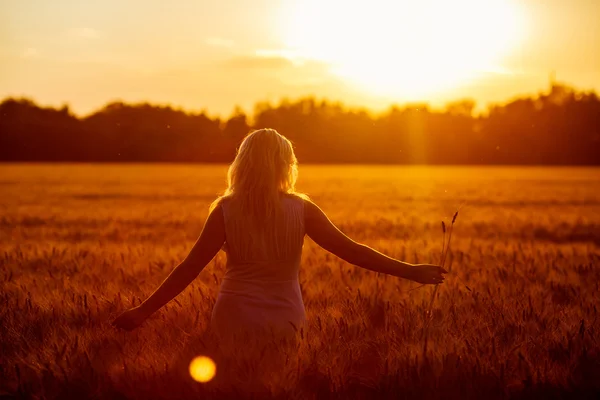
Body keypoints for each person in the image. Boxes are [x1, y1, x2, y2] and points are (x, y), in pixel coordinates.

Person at [112, 128, 447, 338]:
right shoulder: (302, 209)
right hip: (286, 318)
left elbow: (189, 268)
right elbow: (352, 251)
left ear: (242, 163)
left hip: (234, 315)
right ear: (287, 165)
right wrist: (409, 271)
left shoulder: (225, 211)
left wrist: (143, 311)